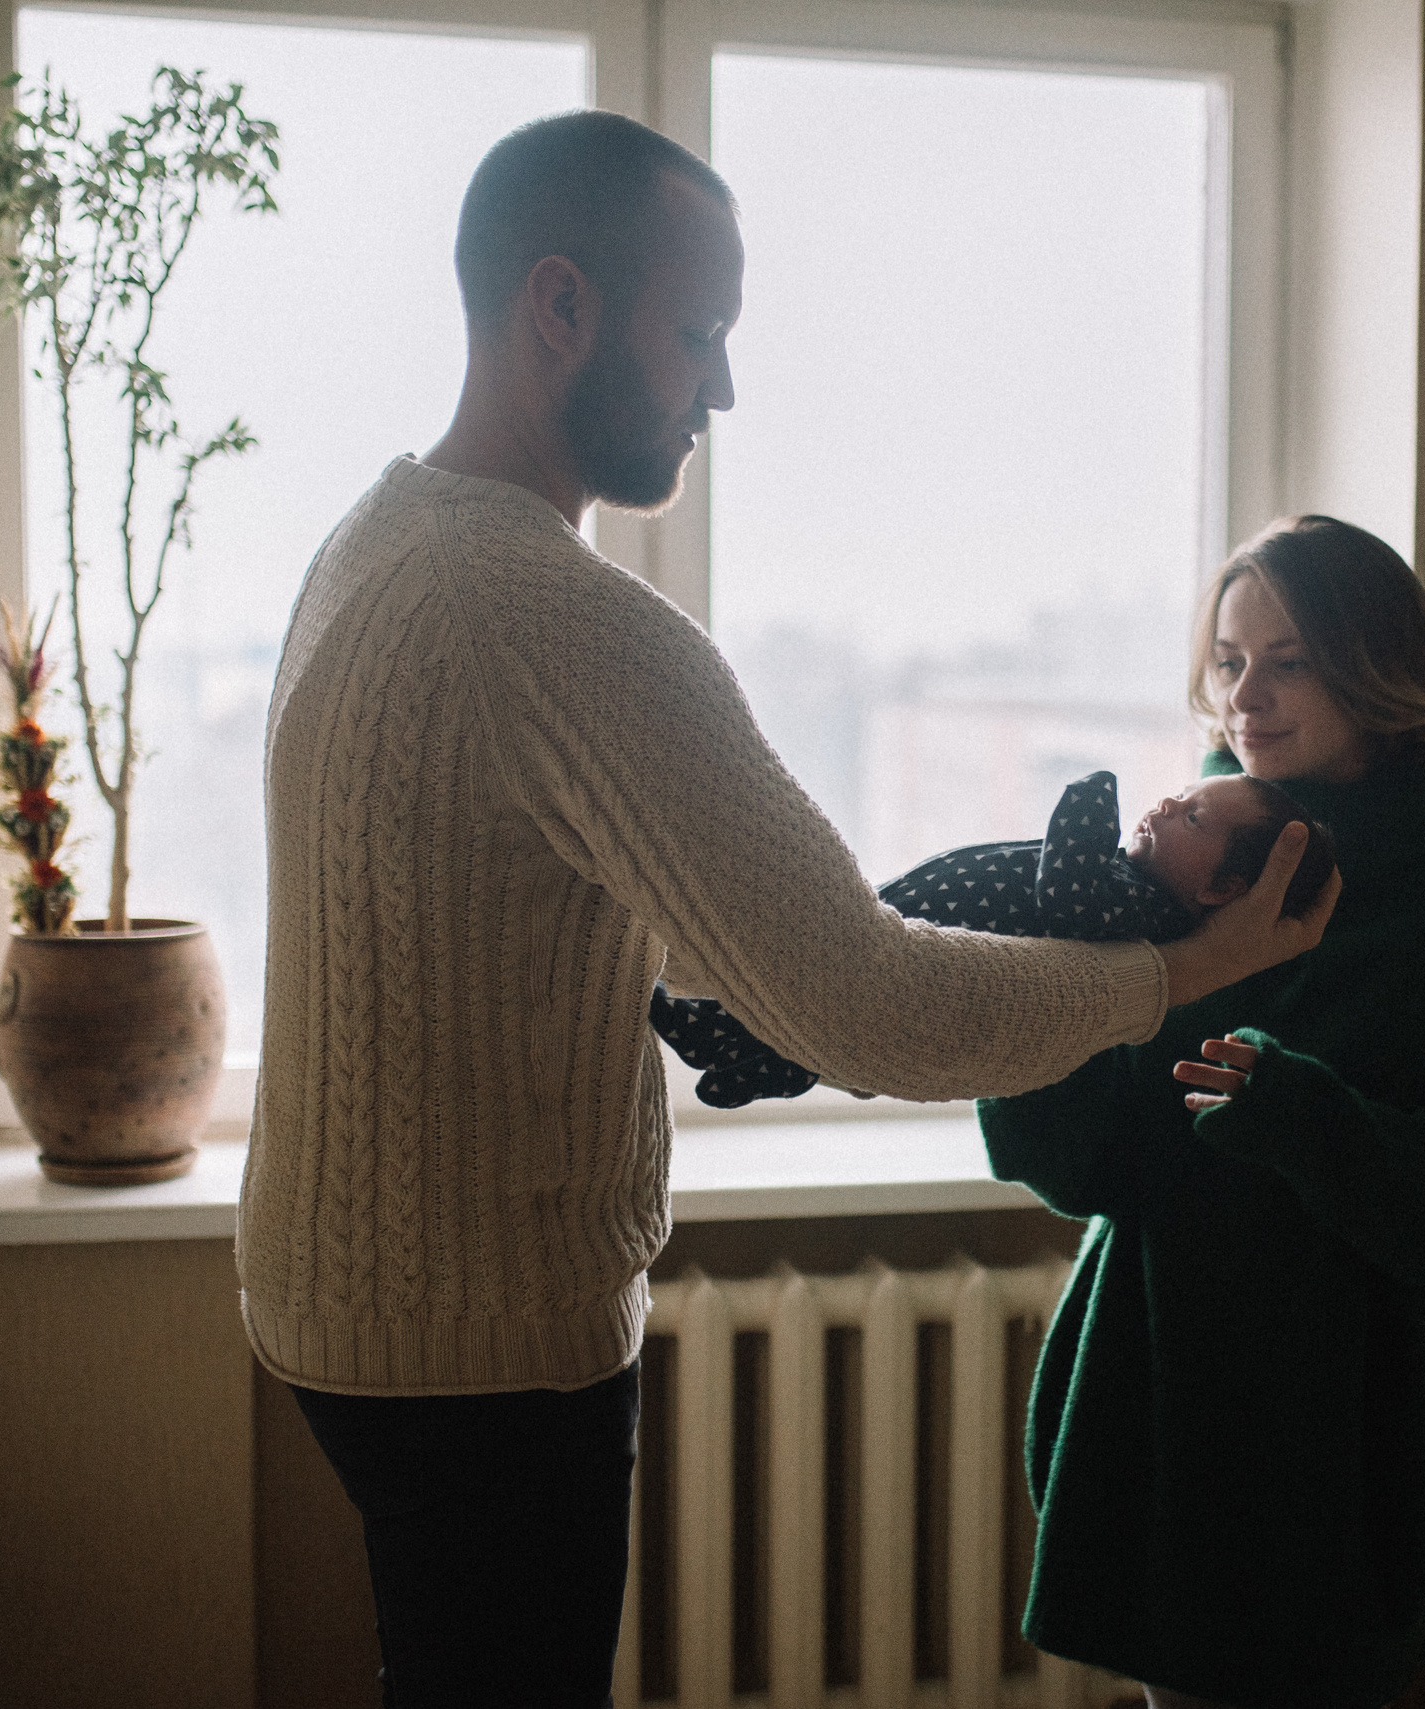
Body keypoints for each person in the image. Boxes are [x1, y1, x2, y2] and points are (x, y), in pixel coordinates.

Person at [238, 111, 1338, 1708]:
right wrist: (1173, 972)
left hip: (347, 1301)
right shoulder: (566, 622)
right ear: (561, 308)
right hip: (479, 1343)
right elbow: (869, 1007)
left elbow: (567, 896)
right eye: (702, 335)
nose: (725, 391)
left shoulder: (379, 539)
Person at [979, 515, 1425, 1709]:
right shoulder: (1180, 880)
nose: (1242, 696)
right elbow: (1076, 1159)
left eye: (1286, 659)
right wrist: (1033, 997)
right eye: (1226, 658)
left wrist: (1309, 1120)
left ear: (1372, 666)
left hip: (1355, 1451)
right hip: (1167, 1427)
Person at [657, 770, 1341, 1106]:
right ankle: (748, 1058)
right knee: (798, 1001)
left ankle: (727, 1042)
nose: (1164, 804)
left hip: (907, 946)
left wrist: (1089, 795)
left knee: (800, 985)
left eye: (1192, 817)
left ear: (1222, 891)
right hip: (897, 923)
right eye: (1181, 792)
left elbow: (1063, 894)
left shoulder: (1140, 911)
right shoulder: (1136, 897)